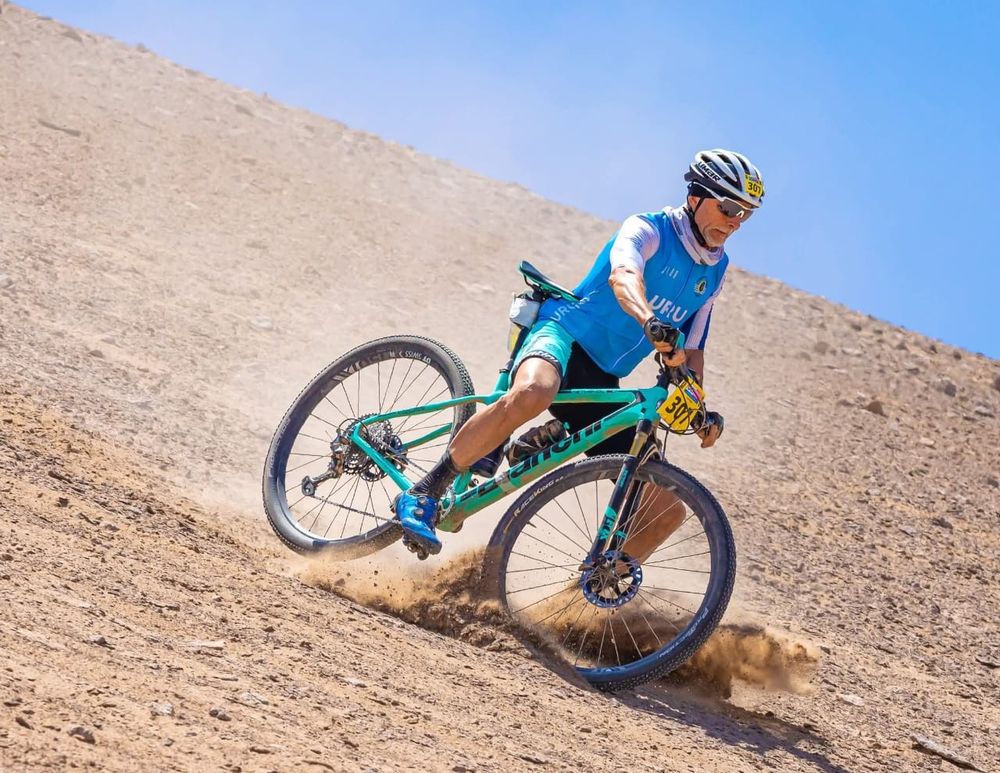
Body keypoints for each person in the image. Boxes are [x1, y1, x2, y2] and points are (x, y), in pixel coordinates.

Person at [393, 148, 765, 556]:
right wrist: (649, 320)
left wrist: (699, 408)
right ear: (695, 197)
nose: (736, 221)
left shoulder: (715, 270)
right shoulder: (649, 229)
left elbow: (694, 350)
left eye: (746, 213)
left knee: (664, 509)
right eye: (729, 206)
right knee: (535, 391)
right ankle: (424, 492)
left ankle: (594, 595)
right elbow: (624, 277)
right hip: (563, 334)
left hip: (602, 377)